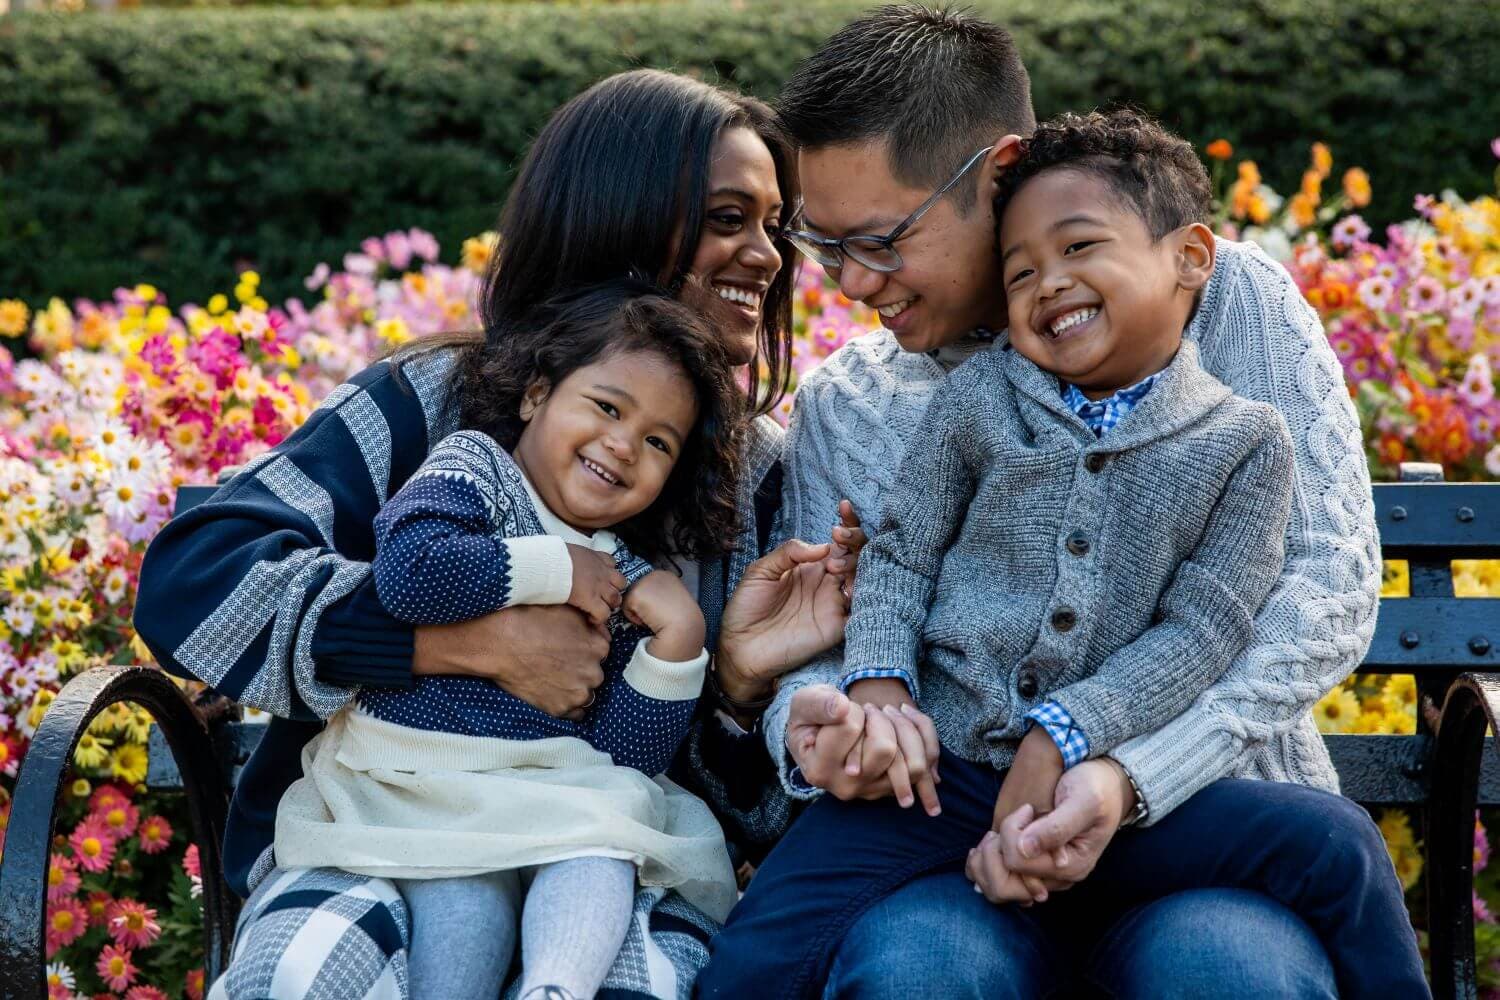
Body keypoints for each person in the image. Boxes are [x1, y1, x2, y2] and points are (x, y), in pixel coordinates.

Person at [704, 6, 1392, 996]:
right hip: (945, 853)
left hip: (1208, 825)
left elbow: (1322, 589)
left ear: (999, 171)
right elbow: (832, 643)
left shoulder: (1227, 301)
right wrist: (821, 725)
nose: (854, 282)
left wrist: (1126, 774)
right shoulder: (853, 402)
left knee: (1227, 977)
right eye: (827, 245)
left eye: (884, 239)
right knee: (919, 976)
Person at [135, 70, 853, 999]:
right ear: (617, 217)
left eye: (773, 225)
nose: (766, 256)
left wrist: (738, 692)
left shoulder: (755, 475)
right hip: (376, 838)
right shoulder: (427, 408)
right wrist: (454, 644)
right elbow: (195, 577)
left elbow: (742, 815)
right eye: (727, 218)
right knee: (306, 977)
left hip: (613, 871)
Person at [276, 282, 749, 1000]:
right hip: (420, 783)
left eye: (658, 442)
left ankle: (555, 988)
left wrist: (677, 642)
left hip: (550, 795)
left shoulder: (620, 567)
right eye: (607, 407)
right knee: (463, 901)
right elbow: (409, 576)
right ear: (536, 395)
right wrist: (557, 568)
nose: (623, 446)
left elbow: (624, 756)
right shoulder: (478, 471)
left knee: (602, 852)